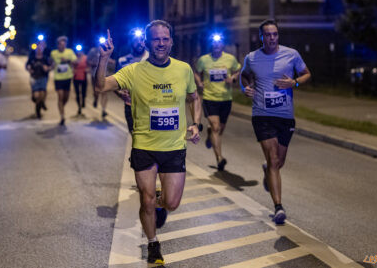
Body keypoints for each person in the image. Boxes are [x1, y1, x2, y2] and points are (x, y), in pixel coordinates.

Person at [94, 21, 201, 265]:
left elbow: (195, 97)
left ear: (171, 41)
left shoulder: (184, 69)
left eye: (165, 39)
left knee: (171, 203)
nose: (161, 43)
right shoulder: (133, 71)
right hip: (144, 145)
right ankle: (153, 244)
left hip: (174, 147)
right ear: (146, 42)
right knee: (146, 199)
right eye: (155, 39)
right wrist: (103, 59)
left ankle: (161, 207)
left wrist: (196, 124)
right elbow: (101, 86)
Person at [240, 19, 311, 225]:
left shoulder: (292, 54)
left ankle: (268, 171)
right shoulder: (252, 58)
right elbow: (244, 76)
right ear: (261, 37)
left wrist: (294, 82)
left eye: (275, 34)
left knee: (279, 162)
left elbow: (307, 74)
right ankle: (278, 207)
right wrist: (246, 88)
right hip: (261, 114)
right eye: (268, 35)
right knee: (273, 159)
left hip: (285, 115)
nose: (272, 38)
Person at [194, 34, 241, 171]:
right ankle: (219, 158)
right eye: (213, 43)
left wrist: (232, 78)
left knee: (219, 129)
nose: (216, 46)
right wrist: (199, 82)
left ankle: (209, 133)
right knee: (216, 127)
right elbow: (196, 71)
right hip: (210, 98)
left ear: (222, 45)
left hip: (226, 99)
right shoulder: (204, 60)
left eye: (218, 43)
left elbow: (238, 70)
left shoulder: (230, 59)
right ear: (211, 45)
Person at [116, 28, 149, 133]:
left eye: (142, 39)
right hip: (130, 106)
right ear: (130, 41)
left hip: (150, 106)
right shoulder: (122, 61)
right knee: (136, 139)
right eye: (136, 40)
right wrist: (120, 93)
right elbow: (116, 83)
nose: (139, 43)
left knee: (151, 141)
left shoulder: (153, 58)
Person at [50, 36, 77, 126]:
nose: (62, 46)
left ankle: (61, 107)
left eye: (64, 44)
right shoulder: (54, 53)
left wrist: (68, 60)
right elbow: (50, 62)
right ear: (58, 45)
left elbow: (76, 62)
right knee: (60, 96)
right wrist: (51, 65)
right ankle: (62, 116)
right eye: (60, 44)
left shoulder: (69, 52)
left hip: (67, 77)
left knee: (66, 98)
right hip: (58, 78)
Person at [26, 40, 51, 118]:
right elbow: (27, 65)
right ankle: (39, 103)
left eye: (41, 47)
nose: (40, 49)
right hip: (34, 78)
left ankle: (38, 110)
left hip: (43, 77)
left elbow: (51, 65)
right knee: (36, 97)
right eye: (38, 47)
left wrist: (47, 68)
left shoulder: (46, 57)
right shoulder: (32, 57)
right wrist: (29, 69)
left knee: (42, 94)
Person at [73, 48, 89, 115]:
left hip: (83, 77)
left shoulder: (86, 58)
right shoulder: (74, 58)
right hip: (76, 77)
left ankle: (83, 101)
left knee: (83, 92)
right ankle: (79, 107)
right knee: (77, 93)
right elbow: (72, 65)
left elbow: (89, 65)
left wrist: (88, 70)